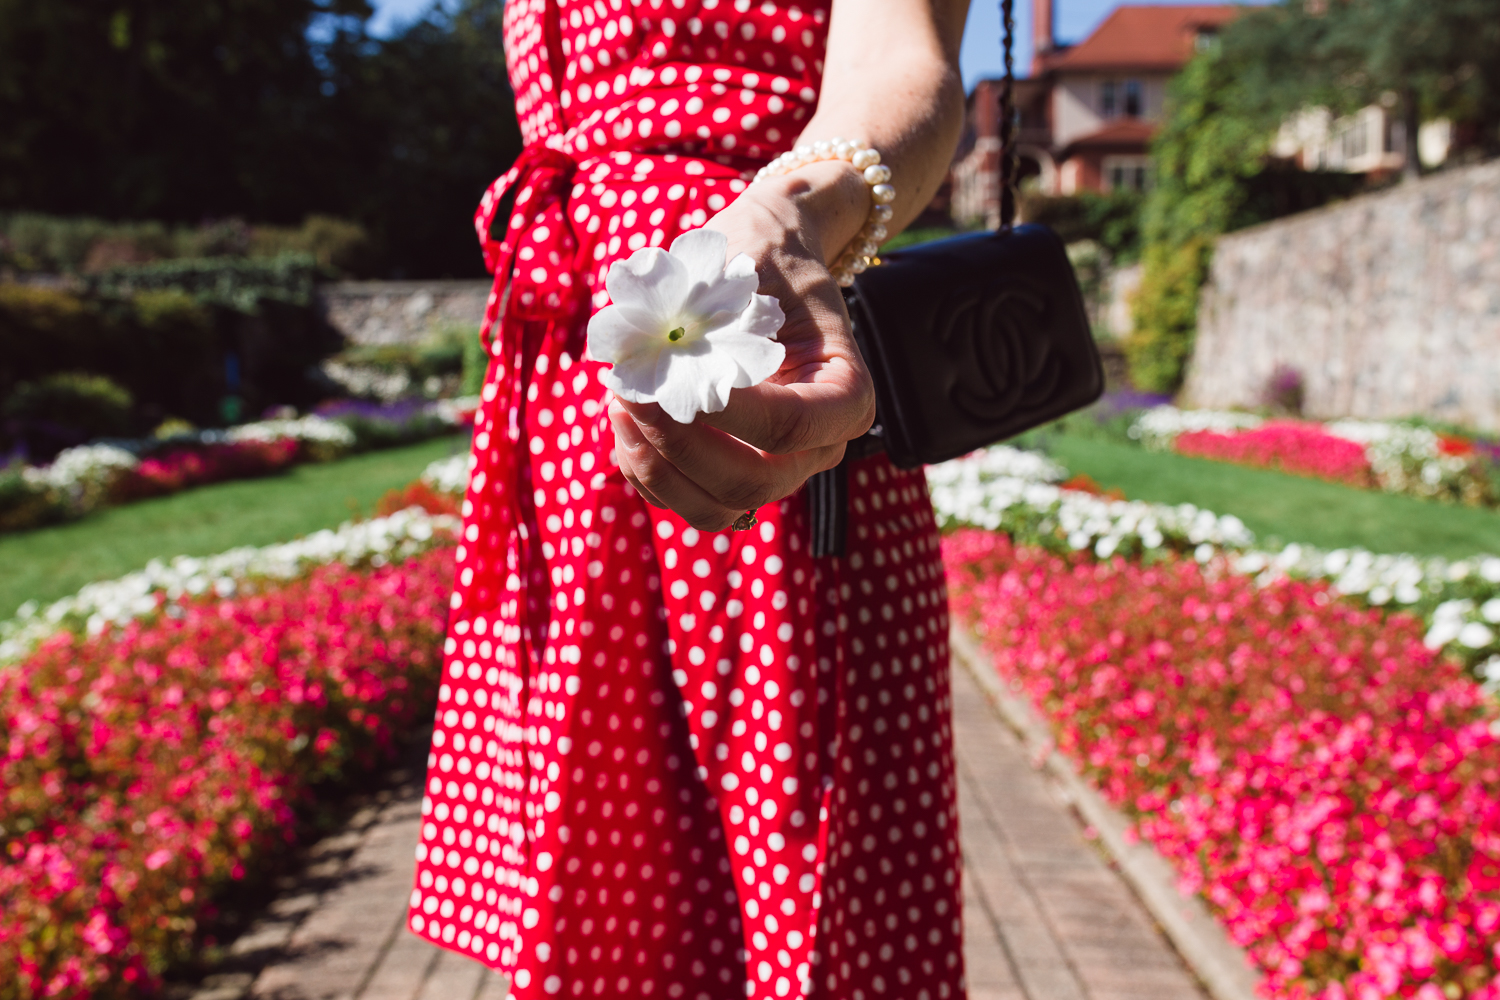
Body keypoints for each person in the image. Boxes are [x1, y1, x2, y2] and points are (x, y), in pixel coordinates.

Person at [407, 0, 970, 995]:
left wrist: (793, 213)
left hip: (746, 348)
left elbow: (899, 68)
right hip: (567, 414)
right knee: (603, 884)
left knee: (782, 873)